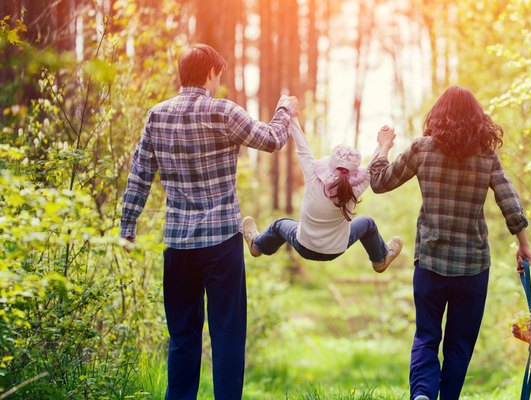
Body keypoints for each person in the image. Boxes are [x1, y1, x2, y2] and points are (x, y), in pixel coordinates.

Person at [120, 43, 299, 400]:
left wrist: (128, 227)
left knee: (183, 338)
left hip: (179, 247)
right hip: (221, 246)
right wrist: (284, 109)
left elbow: (139, 175)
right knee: (227, 336)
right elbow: (272, 139)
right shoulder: (222, 112)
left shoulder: (157, 116)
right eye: (219, 75)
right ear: (211, 73)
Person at [368, 86, 531, 400]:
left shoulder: (422, 149)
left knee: (427, 337)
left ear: (438, 115)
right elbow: (509, 200)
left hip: (431, 262)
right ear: (477, 118)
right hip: (473, 268)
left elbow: (378, 182)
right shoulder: (486, 155)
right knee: (459, 345)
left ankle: (422, 395)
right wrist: (523, 245)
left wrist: (383, 146)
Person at [242, 119, 402, 271]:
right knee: (367, 222)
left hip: (303, 245)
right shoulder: (356, 188)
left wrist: (292, 116)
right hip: (336, 250)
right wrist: (383, 145)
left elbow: (302, 147)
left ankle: (256, 246)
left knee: (279, 225)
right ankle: (380, 259)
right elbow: (373, 166)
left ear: (329, 164)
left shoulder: (313, 175)